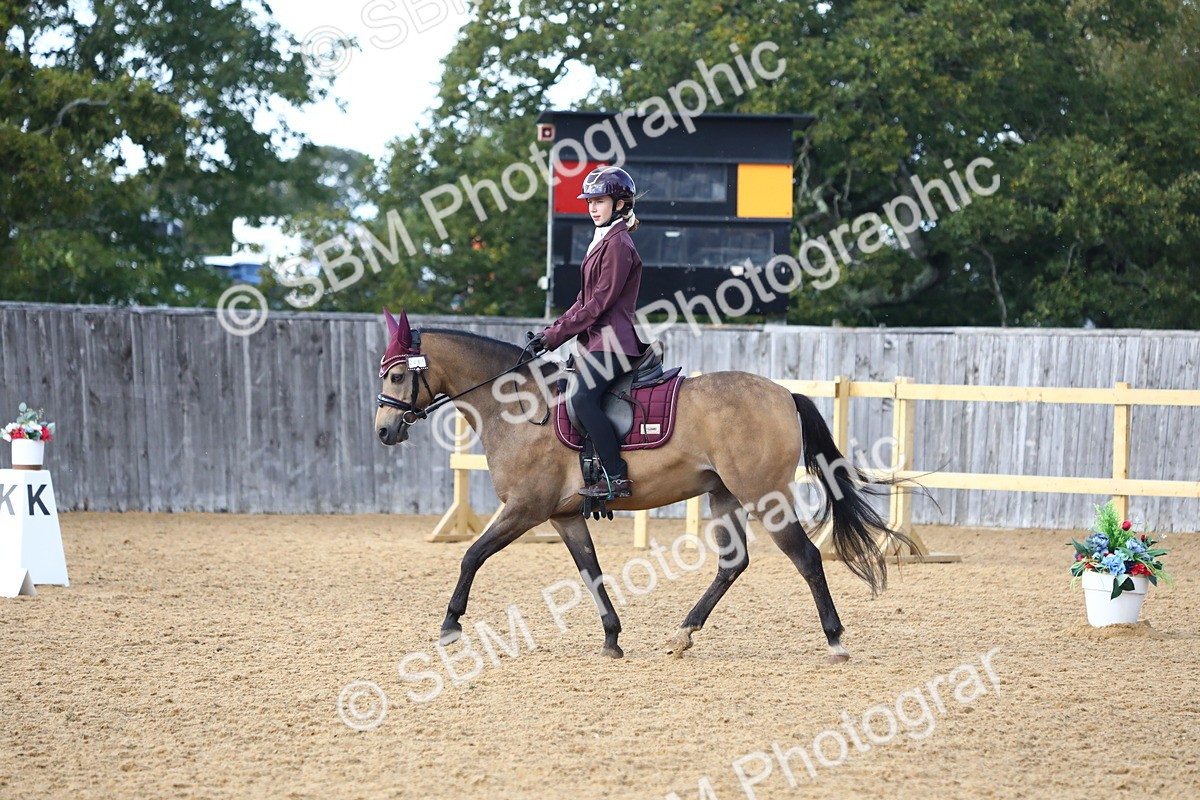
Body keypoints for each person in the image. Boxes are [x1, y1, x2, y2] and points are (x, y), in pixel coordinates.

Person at [527, 166, 645, 499]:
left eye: (600, 201)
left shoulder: (619, 244)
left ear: (620, 204)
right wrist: (548, 333)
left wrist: (554, 338)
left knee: (581, 398)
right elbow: (581, 300)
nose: (593, 207)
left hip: (613, 343)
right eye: (590, 201)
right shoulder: (603, 240)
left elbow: (598, 304)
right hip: (595, 342)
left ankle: (617, 476)